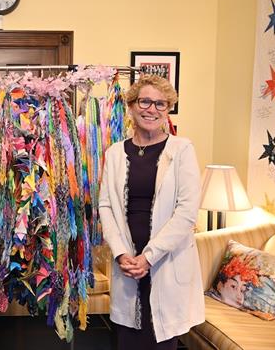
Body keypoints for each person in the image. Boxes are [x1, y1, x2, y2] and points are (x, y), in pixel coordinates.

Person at [99, 74, 205, 349]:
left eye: (161, 104)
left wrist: (148, 257)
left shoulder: (182, 150)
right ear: (132, 106)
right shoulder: (114, 153)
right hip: (128, 264)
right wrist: (123, 253)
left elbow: (186, 212)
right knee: (127, 340)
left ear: (168, 109)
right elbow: (106, 206)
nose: (152, 109)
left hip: (165, 263)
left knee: (161, 339)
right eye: (145, 101)